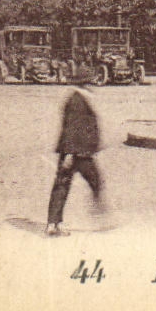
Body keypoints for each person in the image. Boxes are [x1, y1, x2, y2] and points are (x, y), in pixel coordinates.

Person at [46, 87, 104, 237]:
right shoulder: (77, 100)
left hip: (80, 152)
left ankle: (54, 223)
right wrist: (69, 154)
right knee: (64, 185)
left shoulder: (82, 98)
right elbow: (71, 128)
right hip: (76, 154)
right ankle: (54, 224)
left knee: (64, 185)